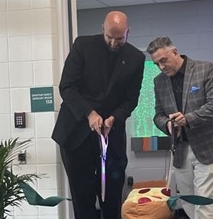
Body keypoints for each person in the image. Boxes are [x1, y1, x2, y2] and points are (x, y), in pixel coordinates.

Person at [52, 11, 145, 219]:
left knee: (111, 195)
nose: (113, 43)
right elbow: (67, 87)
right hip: (76, 134)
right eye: (109, 37)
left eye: (119, 39)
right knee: (82, 196)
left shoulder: (136, 58)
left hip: (111, 135)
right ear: (102, 29)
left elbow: (131, 99)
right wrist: (89, 113)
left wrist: (115, 117)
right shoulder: (82, 46)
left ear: (128, 32)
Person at [146, 36, 213, 219]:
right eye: (157, 64)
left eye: (164, 60)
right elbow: (158, 115)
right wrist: (168, 124)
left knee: (204, 203)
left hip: (207, 147)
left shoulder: (205, 69)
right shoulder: (158, 81)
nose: (161, 66)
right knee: (187, 201)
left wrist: (187, 119)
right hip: (180, 149)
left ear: (175, 52)